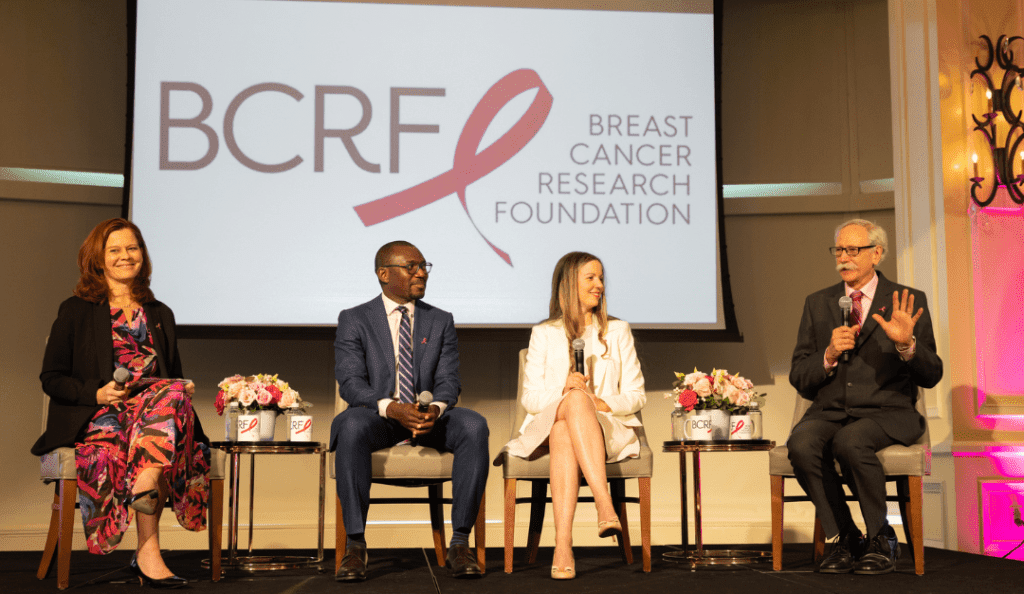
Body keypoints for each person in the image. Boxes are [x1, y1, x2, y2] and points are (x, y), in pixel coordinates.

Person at [33, 218, 209, 589]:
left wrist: (181, 390)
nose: (125, 256)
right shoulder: (76, 310)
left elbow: (170, 375)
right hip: (99, 416)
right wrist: (97, 393)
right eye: (115, 250)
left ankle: (146, 508)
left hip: (153, 417)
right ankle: (147, 519)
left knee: (174, 391)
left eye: (133, 248)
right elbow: (51, 378)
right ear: (97, 259)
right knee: (163, 419)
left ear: (142, 256)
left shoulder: (159, 313)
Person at [788, 219, 942, 575]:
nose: (844, 257)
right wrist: (826, 355)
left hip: (887, 411)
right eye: (839, 250)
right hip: (830, 410)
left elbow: (931, 374)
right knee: (801, 443)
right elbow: (800, 375)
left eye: (853, 250)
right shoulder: (819, 303)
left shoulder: (907, 300)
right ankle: (846, 537)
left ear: (877, 253)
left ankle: (881, 537)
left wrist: (907, 345)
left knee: (851, 440)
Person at [330, 240, 489, 582]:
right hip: (380, 419)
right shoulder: (354, 319)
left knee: (475, 425)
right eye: (411, 266)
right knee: (351, 425)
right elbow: (351, 383)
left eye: (423, 266)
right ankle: (355, 547)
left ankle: (460, 543)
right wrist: (393, 409)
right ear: (383, 274)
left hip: (431, 417)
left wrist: (436, 408)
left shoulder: (440, 320)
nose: (421, 273)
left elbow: (449, 380)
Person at [501, 251, 646, 580]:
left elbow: (636, 396)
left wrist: (601, 404)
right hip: (547, 425)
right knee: (571, 408)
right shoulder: (544, 334)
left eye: (601, 278)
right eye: (590, 278)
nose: (599, 285)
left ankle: (563, 546)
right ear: (568, 284)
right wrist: (566, 390)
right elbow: (531, 399)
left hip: (604, 428)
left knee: (569, 425)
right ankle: (603, 504)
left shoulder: (618, 331)